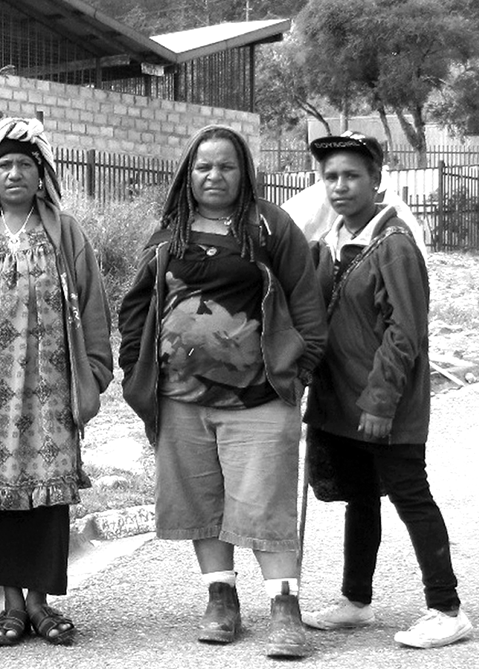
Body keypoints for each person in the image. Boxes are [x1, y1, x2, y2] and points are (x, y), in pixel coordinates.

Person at [117, 125, 327, 659]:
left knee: (265, 502)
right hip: (181, 400)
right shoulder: (170, 234)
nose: (215, 175)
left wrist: (298, 370)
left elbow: (305, 304)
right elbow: (138, 304)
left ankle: (285, 610)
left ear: (244, 172)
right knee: (201, 501)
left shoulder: (270, 228)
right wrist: (134, 367)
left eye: (226, 166)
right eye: (204, 166)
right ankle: (221, 599)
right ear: (189, 174)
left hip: (258, 397)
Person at [0, 117, 113, 647]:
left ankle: (41, 604)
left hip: (49, 394)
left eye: (25, 165)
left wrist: (96, 371)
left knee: (45, 500)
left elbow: (93, 303)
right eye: (4, 165)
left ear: (42, 175)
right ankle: (10, 605)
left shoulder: (66, 231)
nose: (14, 173)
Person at [301, 132, 473, 649]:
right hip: (342, 403)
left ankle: (447, 607)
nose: (339, 186)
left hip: (385, 404)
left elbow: (405, 333)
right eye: (330, 177)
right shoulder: (333, 242)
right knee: (361, 499)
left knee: (410, 495)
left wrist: (379, 402)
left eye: (351, 175)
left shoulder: (393, 245)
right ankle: (356, 600)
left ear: (377, 181)